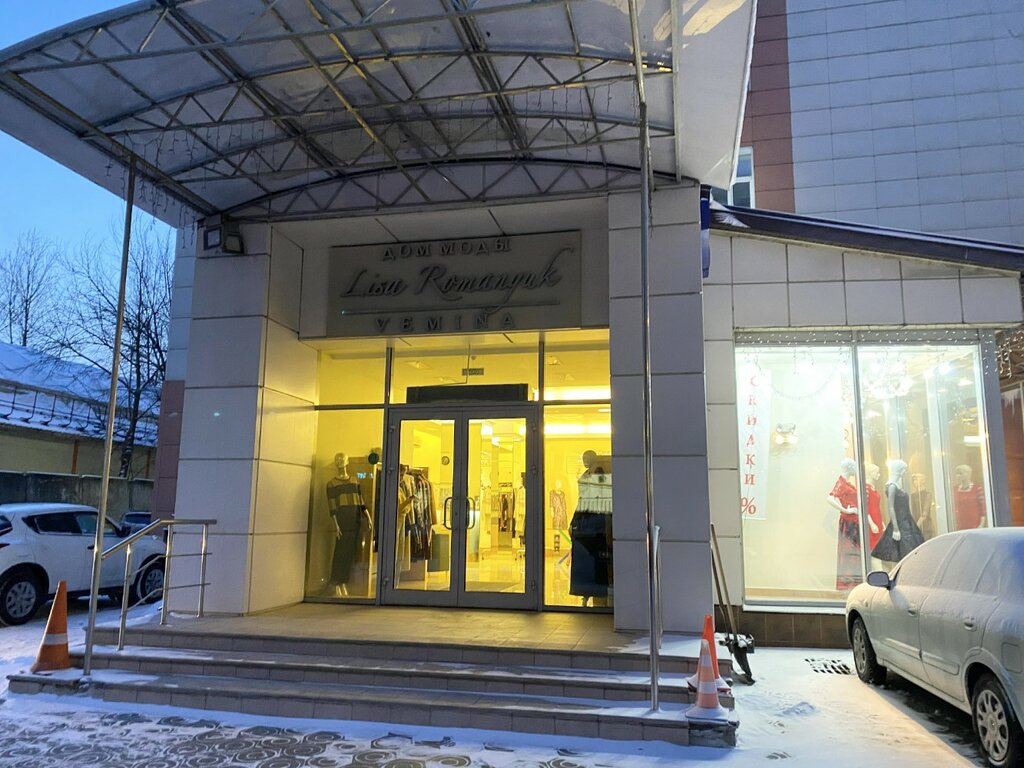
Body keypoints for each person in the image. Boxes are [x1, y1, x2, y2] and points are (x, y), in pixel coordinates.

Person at [569, 450, 613, 606]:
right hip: (586, 518)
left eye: (587, 458)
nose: (584, 460)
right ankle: (589, 593)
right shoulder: (588, 474)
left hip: (594, 520)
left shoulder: (598, 473)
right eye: (583, 458)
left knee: (595, 559)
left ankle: (596, 592)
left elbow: (599, 497)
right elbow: (582, 500)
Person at [326, 452, 368, 597]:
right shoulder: (331, 484)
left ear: (347, 461)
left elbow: (361, 501)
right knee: (340, 552)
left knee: (350, 553)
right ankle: (336, 582)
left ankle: (343, 582)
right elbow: (332, 506)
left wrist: (368, 517)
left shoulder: (355, 481)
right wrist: (336, 525)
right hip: (342, 520)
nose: (339, 462)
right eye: (337, 459)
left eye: (342, 459)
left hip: (355, 519)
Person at [871, 459, 925, 563]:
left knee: (910, 550)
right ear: (899, 470)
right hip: (901, 523)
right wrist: (896, 529)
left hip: (906, 520)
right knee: (905, 550)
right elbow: (891, 507)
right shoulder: (892, 486)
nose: (905, 472)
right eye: (904, 470)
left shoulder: (896, 485)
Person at [826, 459, 862, 591]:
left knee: (853, 553)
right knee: (848, 553)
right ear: (850, 468)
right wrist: (845, 510)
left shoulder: (846, 483)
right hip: (848, 524)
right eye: (854, 467)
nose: (856, 470)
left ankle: (853, 584)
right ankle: (847, 585)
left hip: (854, 523)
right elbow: (830, 498)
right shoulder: (841, 482)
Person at [953, 465, 987, 530]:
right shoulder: (955, 489)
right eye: (957, 474)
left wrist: (981, 525)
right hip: (960, 525)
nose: (958, 476)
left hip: (974, 525)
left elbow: (982, 508)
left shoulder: (977, 489)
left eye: (960, 473)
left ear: (967, 474)